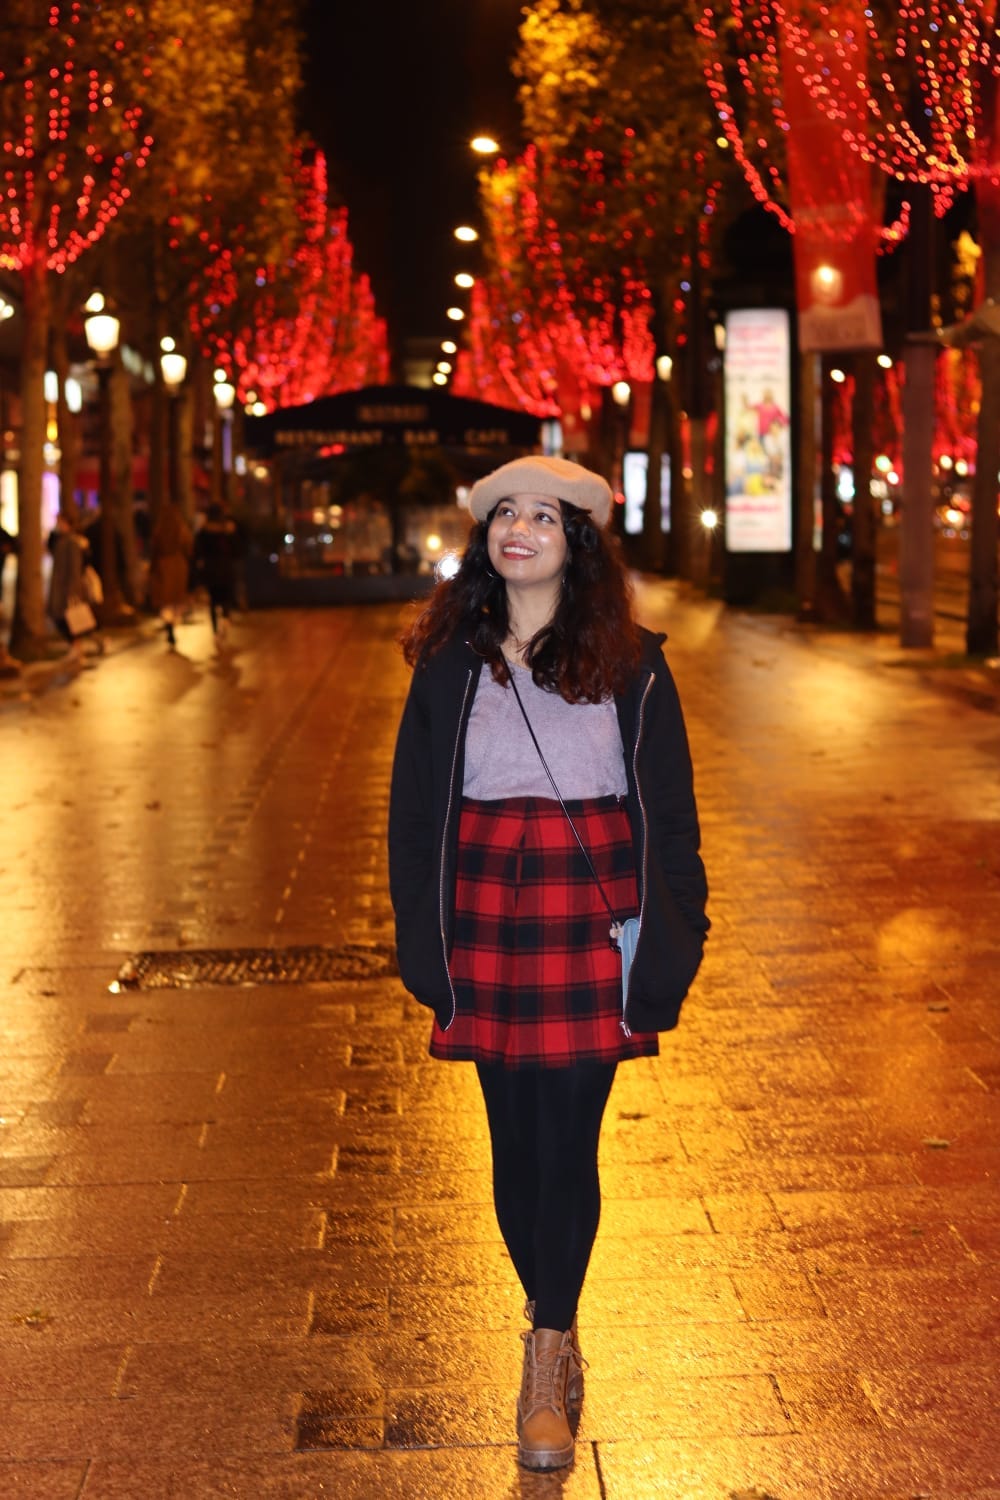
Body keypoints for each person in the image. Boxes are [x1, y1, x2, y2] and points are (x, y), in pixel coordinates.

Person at [388, 455, 709, 1471]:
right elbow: (408, 816)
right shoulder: (448, 662)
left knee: (568, 1139)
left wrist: (676, 938)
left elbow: (673, 816)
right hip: (482, 906)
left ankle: (543, 1355)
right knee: (513, 1146)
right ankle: (554, 1316)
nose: (517, 529)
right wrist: (417, 938)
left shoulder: (633, 662)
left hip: (588, 911)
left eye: (543, 516)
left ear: (579, 541)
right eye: (502, 516)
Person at [47, 507, 100, 660]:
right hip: (61, 586)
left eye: (60, 521)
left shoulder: (71, 542)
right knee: (66, 619)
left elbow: (74, 568)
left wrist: (72, 590)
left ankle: (80, 646)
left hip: (66, 588)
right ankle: (81, 646)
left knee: (70, 619)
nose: (57, 524)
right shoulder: (62, 539)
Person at [192, 502, 238, 645]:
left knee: (213, 601)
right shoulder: (226, 531)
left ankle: (215, 631)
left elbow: (197, 551)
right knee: (225, 598)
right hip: (224, 568)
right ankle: (224, 621)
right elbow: (236, 548)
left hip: (210, 569)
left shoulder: (203, 532)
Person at [149, 502, 193, 648]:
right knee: (175, 599)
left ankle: (169, 624)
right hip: (178, 566)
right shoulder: (181, 529)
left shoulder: (159, 530)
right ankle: (172, 623)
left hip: (164, 566)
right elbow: (188, 547)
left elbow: (154, 549)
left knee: (166, 599)